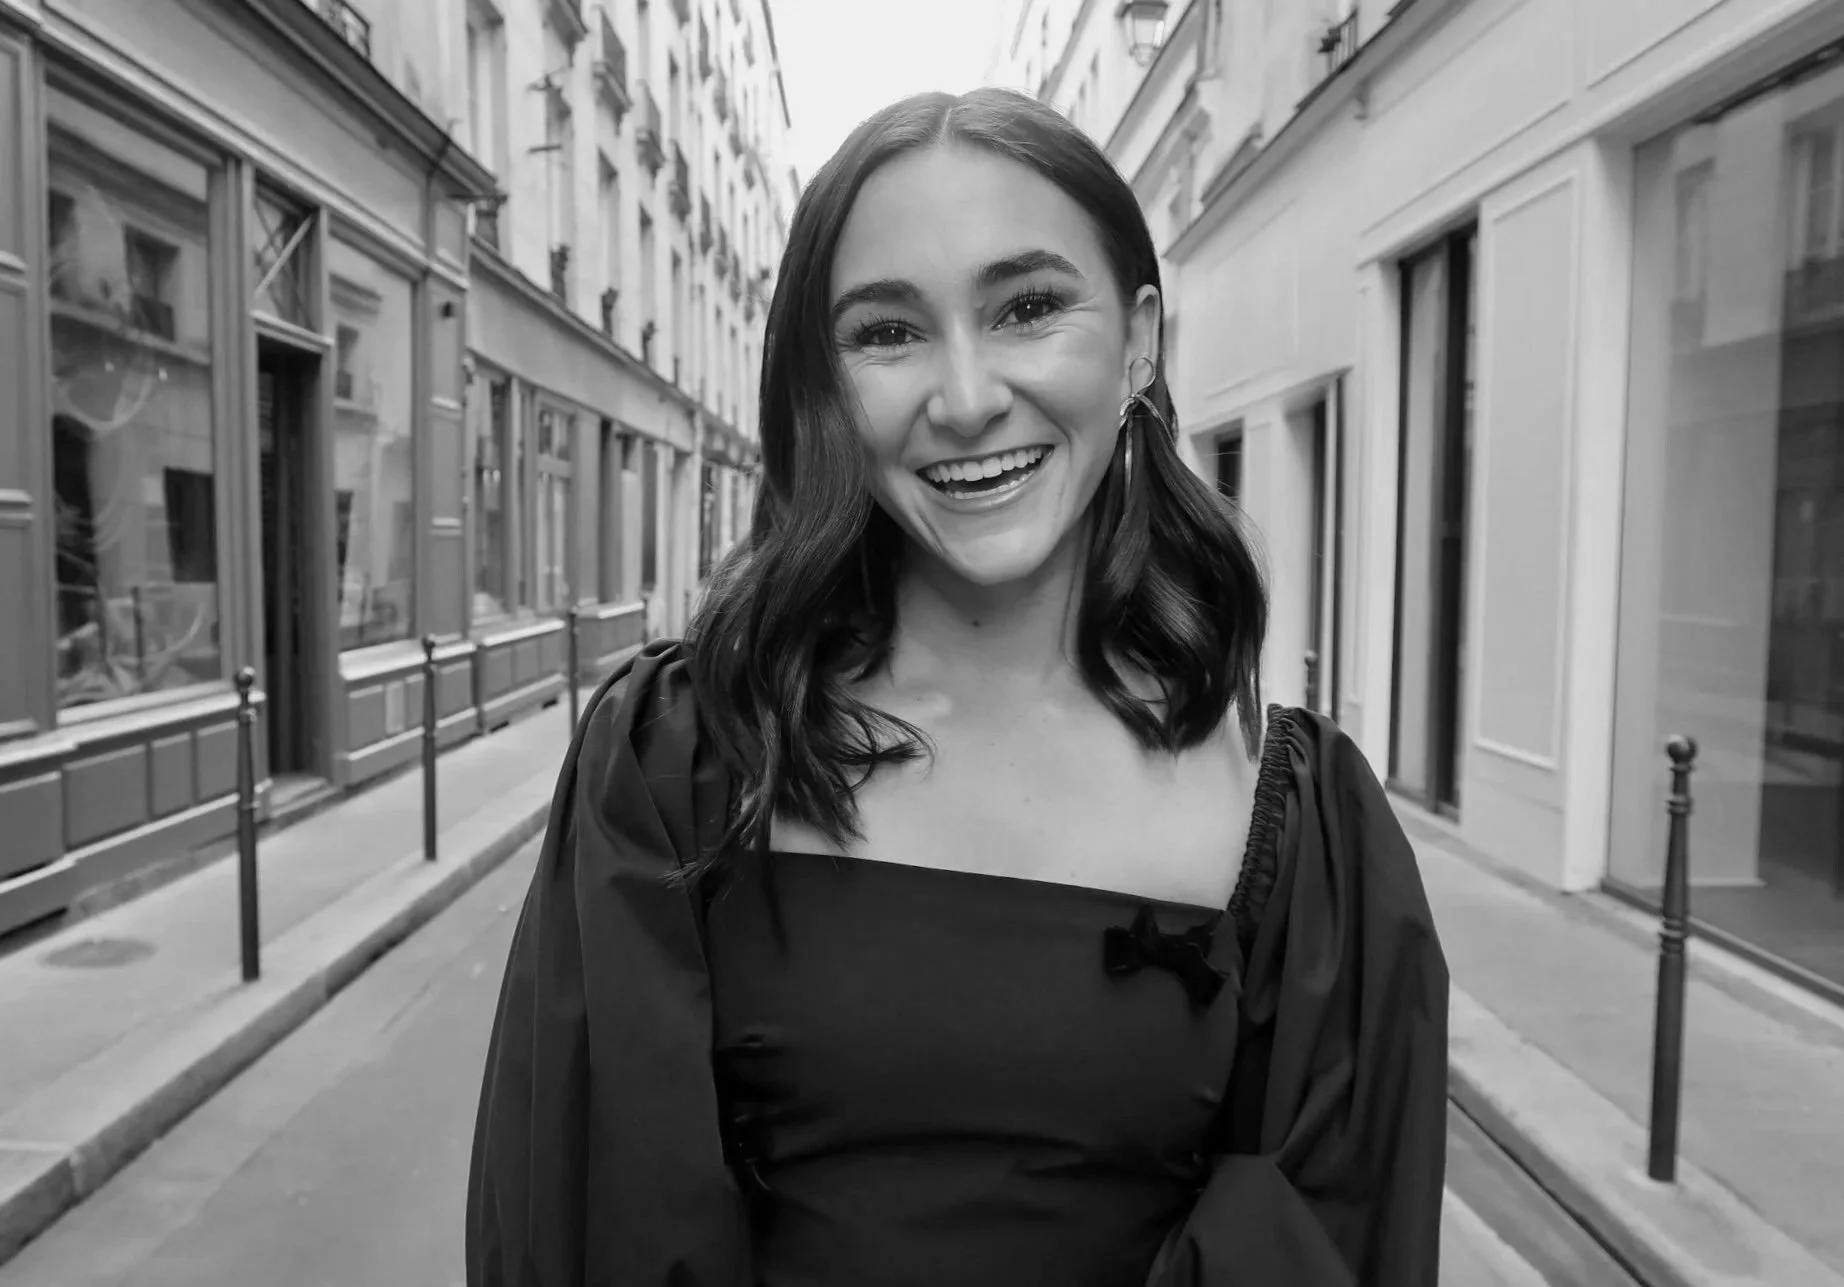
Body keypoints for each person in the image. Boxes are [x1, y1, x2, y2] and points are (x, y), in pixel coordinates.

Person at [466, 87, 1449, 1287]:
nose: (967, 395)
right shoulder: (683, 761)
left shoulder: (1296, 827)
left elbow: (1320, 1247)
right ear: (826, 382)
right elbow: (592, 1233)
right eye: (887, 333)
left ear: (1137, 338)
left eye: (1028, 306)